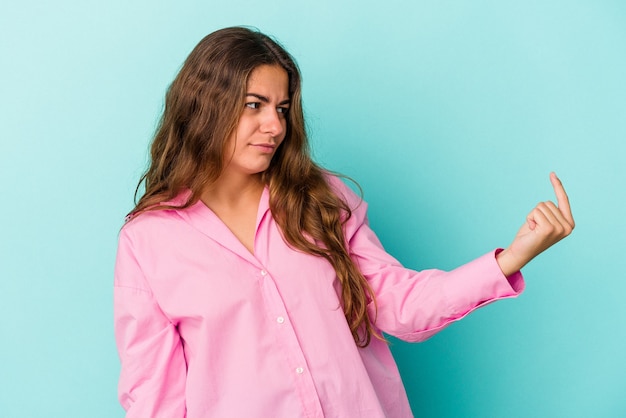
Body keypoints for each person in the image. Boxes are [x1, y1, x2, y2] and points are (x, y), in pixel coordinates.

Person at [113, 26, 574, 418]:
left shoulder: (324, 200)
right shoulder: (149, 240)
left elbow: (400, 305)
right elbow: (156, 399)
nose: (275, 126)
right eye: (254, 105)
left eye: (283, 108)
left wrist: (512, 258)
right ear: (205, 105)